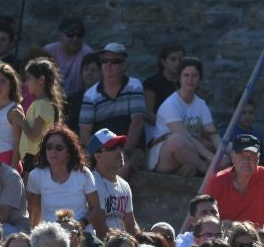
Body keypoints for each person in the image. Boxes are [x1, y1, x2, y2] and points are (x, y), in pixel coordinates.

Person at [78, 42, 145, 177]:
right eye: (104, 61)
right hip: (102, 150)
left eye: (114, 61)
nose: (108, 65)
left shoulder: (134, 86)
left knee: (120, 171)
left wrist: (123, 153)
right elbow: (85, 134)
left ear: (123, 65)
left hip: (130, 149)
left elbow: (137, 123)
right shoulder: (90, 95)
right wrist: (104, 153)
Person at [147, 56, 218, 176]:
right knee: (177, 140)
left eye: (194, 76)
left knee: (215, 145)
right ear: (179, 78)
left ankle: (190, 167)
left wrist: (222, 154)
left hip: (191, 150)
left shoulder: (201, 104)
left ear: (199, 79)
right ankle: (208, 171)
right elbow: (185, 137)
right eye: (186, 75)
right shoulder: (171, 104)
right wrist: (212, 158)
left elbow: (213, 133)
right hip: (166, 154)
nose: (190, 79)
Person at [204, 134, 264, 228]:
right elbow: (206, 219)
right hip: (223, 238)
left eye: (251, 155)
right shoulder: (218, 180)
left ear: (258, 157)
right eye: (241, 155)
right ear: (232, 157)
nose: (246, 160)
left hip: (255, 238)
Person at [87, 128, 140, 237]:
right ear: (98, 156)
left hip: (122, 244)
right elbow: (96, 224)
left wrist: (141, 242)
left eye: (120, 146)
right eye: (112, 147)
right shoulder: (89, 183)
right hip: (101, 245)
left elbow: (131, 224)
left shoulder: (125, 185)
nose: (119, 151)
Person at [17, 58, 63, 170]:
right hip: (30, 158)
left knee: (29, 188)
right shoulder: (39, 103)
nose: (26, 83)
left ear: (41, 79)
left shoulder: (42, 105)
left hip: (33, 159)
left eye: (29, 78)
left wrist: (21, 120)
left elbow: (34, 136)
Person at [42, 16, 93, 109]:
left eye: (79, 35)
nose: (75, 39)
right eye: (70, 34)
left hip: (77, 104)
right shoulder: (48, 52)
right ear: (60, 35)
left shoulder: (87, 54)